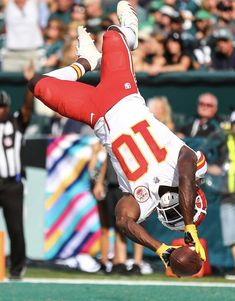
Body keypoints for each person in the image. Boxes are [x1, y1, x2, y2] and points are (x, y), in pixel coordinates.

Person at [28, 1, 207, 271]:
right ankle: (132, 29)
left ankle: (85, 62)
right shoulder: (187, 164)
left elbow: (123, 221)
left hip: (96, 115)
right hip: (122, 94)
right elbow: (185, 173)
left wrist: (162, 249)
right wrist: (190, 225)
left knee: (38, 85)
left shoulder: (144, 201)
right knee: (113, 33)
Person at [91, 143, 143, 274]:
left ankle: (137, 263)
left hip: (130, 187)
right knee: (119, 225)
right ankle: (121, 262)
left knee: (137, 226)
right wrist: (99, 182)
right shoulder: (113, 142)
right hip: (113, 186)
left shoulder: (133, 143)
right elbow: (105, 165)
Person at [0, 83, 34, 279]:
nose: (1, 110)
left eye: (3, 106)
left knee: (15, 228)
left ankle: (17, 268)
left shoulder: (16, 123)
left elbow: (27, 109)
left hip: (12, 185)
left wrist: (30, 85)